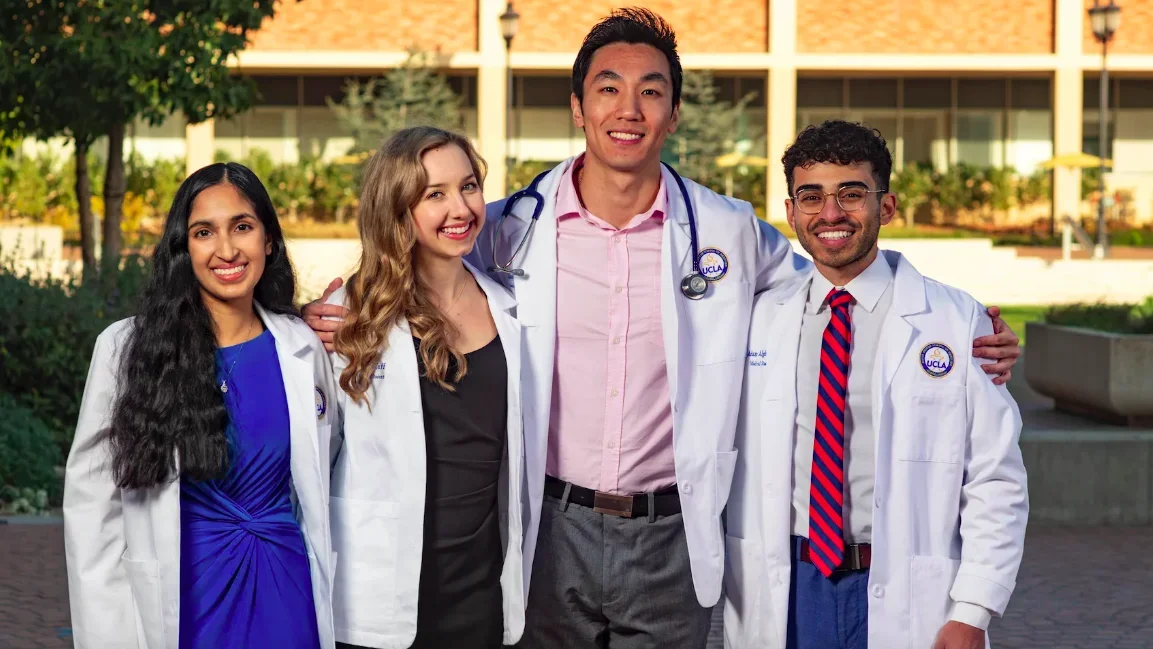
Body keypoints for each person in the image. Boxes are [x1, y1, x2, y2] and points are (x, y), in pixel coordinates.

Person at [304, 9, 1022, 647]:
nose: (629, 108)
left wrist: (955, 328)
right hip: (548, 524)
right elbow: (416, 256)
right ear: (578, 107)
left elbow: (829, 272)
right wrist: (322, 315)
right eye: (608, 88)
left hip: (672, 535)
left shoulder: (727, 230)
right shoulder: (509, 227)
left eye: (650, 91)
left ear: (673, 112)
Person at [722, 120, 1029, 649]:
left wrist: (973, 611)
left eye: (851, 194)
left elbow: (994, 476)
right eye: (811, 197)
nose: (831, 214)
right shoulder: (755, 319)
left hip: (906, 589)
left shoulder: (957, 321)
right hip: (788, 585)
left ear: (885, 207)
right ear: (791, 212)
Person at [65, 162, 339, 649]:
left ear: (269, 241)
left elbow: (328, 467)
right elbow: (93, 514)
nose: (227, 250)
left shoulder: (303, 348)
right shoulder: (126, 350)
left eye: (242, 227)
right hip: (185, 601)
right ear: (183, 249)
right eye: (204, 232)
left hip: (287, 596)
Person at [323, 126, 527, 649]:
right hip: (382, 593)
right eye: (434, 194)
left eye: (469, 186)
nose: (460, 208)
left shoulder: (511, 308)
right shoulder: (351, 317)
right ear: (397, 210)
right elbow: (313, 457)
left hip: (479, 590)